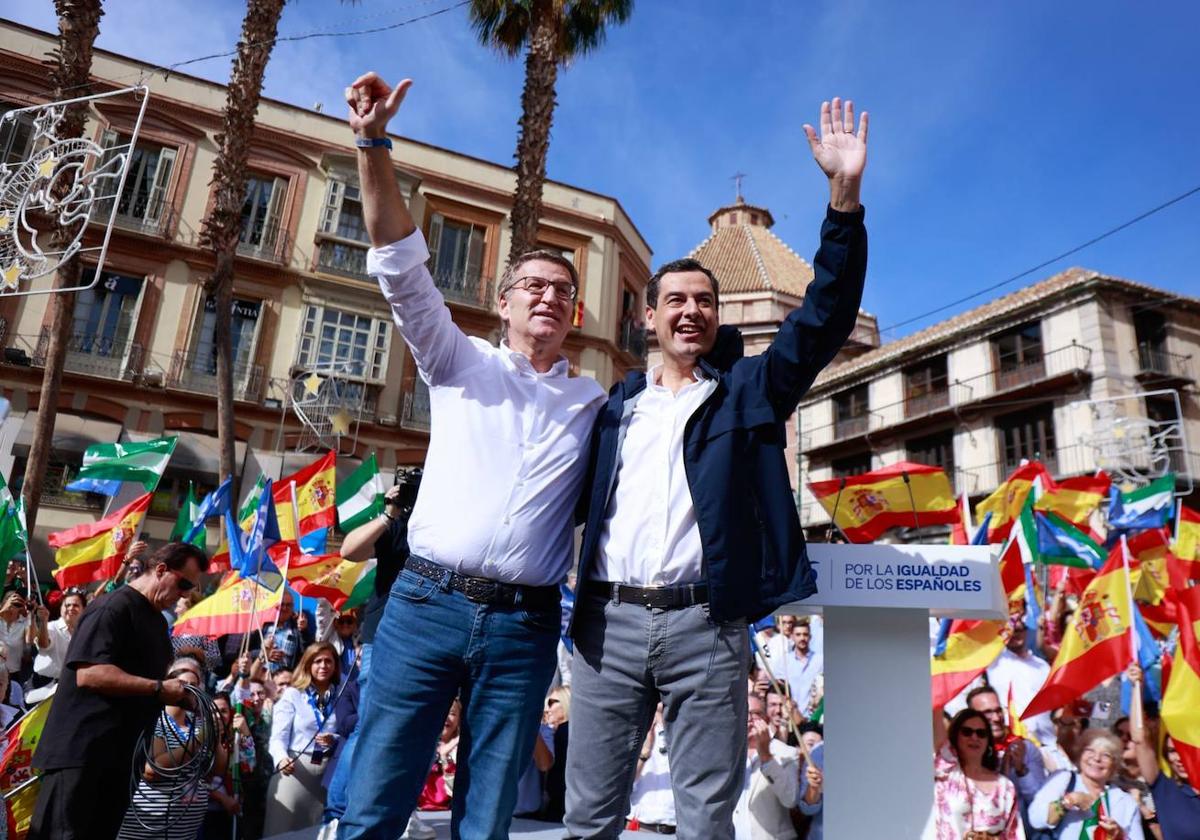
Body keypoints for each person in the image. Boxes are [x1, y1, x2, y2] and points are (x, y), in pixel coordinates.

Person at [566, 96, 869, 839]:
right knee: (590, 816)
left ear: (719, 318)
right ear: (649, 317)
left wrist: (843, 198)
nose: (691, 311)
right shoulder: (610, 410)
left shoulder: (748, 392)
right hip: (607, 623)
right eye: (676, 301)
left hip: (708, 624)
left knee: (707, 818)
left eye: (705, 301)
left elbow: (826, 315)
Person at [337, 71, 606, 840]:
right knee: (377, 800)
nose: (549, 297)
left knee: (487, 817)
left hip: (526, 625)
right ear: (504, 300)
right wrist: (371, 144)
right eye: (533, 285)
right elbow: (398, 263)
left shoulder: (596, 403)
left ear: (575, 313)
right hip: (423, 607)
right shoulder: (459, 364)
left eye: (563, 289)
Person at [29, 542, 207, 840]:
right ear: (161, 569)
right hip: (83, 755)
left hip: (120, 759)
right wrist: (158, 688)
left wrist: (185, 697)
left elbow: (149, 682)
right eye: (184, 583)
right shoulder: (114, 606)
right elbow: (90, 673)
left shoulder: (155, 621)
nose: (186, 594)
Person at [117, 655, 224, 839]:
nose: (189, 689)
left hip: (184, 832)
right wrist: (200, 739)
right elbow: (152, 770)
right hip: (147, 830)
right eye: (183, 683)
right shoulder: (155, 720)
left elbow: (217, 771)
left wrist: (216, 735)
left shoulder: (198, 725)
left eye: (195, 684)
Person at [265, 642, 341, 835]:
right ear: (308, 664)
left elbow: (351, 730)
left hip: (329, 775)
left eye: (328, 661)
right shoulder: (293, 694)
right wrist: (281, 758)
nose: (323, 666)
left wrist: (336, 739)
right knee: (281, 831)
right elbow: (277, 737)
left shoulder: (342, 695)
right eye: (317, 661)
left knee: (318, 833)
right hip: (295, 771)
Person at [1029, 729, 1144, 839]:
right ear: (1080, 755)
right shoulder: (1063, 779)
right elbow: (1036, 820)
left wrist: (1120, 836)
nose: (1097, 758)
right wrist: (1069, 801)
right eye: (1090, 750)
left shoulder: (1125, 802)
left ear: (1114, 765)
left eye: (1106, 755)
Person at [1129, 665, 1200, 839]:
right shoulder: (1165, 788)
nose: (1178, 758)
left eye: (1183, 750)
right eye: (1171, 751)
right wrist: (1137, 686)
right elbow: (1139, 738)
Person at [932, 706, 1024, 839]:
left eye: (981, 733)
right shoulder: (947, 773)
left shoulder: (1005, 786)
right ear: (955, 736)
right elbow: (936, 719)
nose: (974, 737)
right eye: (967, 732)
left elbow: (1014, 834)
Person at [967, 685, 1046, 822]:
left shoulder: (1024, 748)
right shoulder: (964, 755)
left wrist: (1022, 770)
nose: (997, 718)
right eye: (987, 713)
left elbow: (1042, 804)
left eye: (998, 711)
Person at [731, 693, 801, 839]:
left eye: (755, 714)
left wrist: (765, 755)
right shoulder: (727, 755)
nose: (749, 719)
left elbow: (790, 799)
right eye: (744, 712)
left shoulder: (786, 753)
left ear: (766, 719)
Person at [28, 587, 86, 702]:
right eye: (67, 605)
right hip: (42, 686)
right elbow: (44, 645)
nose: (71, 608)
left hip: (65, 686)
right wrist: (44, 621)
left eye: (75, 605)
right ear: (61, 608)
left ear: (84, 610)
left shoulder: (84, 632)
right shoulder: (51, 627)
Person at [626, 705, 675, 834]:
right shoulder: (636, 729)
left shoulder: (686, 732)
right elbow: (623, 783)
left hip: (679, 829)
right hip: (642, 828)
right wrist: (644, 753)